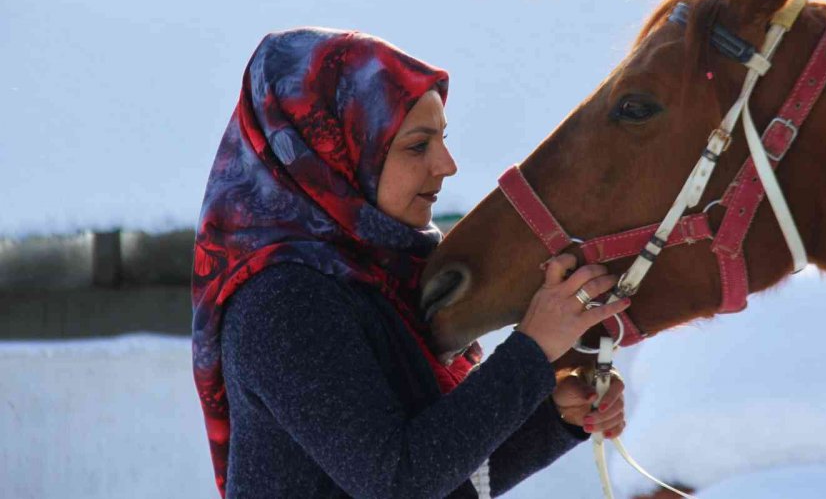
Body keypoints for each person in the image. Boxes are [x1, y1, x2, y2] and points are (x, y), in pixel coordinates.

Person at [191, 28, 631, 498]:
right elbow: (398, 482)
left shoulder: (380, 273)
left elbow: (439, 473)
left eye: (442, 139)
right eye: (417, 146)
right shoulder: (284, 301)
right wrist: (532, 350)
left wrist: (554, 417)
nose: (446, 164)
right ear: (330, 153)